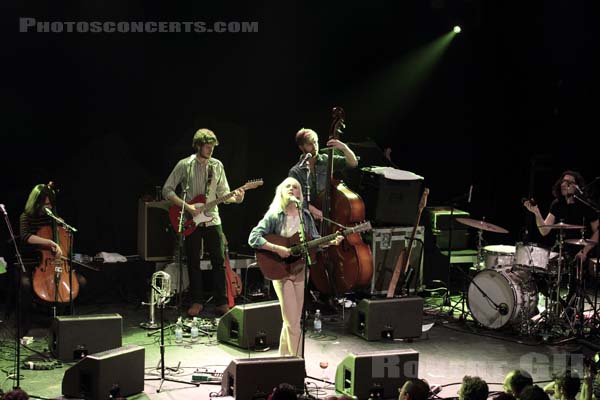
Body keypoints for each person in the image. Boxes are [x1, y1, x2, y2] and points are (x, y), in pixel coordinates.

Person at [248, 177, 343, 356]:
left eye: (296, 187)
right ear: (282, 191)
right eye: (288, 186)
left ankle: (283, 361)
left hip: (300, 270)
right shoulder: (274, 215)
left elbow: (313, 242)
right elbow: (253, 237)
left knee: (292, 320)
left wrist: (331, 242)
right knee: (293, 323)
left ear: (300, 194)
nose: (292, 189)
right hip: (281, 270)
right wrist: (277, 248)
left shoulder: (304, 216)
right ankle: (298, 363)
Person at [163, 128, 244, 317]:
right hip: (190, 218)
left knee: (218, 260)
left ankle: (221, 301)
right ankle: (196, 301)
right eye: (207, 147)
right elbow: (168, 190)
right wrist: (188, 208)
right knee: (193, 261)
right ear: (198, 145)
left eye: (212, 147)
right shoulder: (185, 165)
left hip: (212, 217)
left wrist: (237, 198)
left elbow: (224, 194)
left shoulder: (217, 166)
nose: (210, 151)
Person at [524, 170, 599, 263]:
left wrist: (584, 251)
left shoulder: (585, 205)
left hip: (581, 253)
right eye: (563, 181)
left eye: (568, 183)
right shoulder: (557, 204)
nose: (563, 184)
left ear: (577, 187)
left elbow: (597, 231)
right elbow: (544, 231)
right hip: (562, 251)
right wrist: (537, 212)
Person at [288, 128, 358, 221]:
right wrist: (313, 210)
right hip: (307, 218)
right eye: (310, 144)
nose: (314, 147)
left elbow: (353, 163)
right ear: (301, 147)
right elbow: (293, 198)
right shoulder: (296, 171)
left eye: (315, 142)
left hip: (331, 213)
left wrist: (344, 148)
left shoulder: (326, 160)